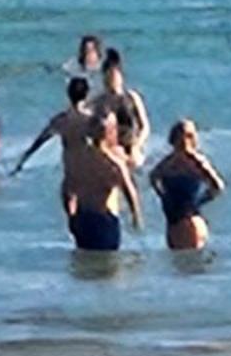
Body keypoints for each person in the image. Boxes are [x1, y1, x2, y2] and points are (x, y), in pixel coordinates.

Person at [65, 112, 143, 252]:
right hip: (103, 219)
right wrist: (136, 216)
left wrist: (71, 215)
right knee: (108, 267)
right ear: (110, 133)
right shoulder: (113, 164)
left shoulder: (77, 160)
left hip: (82, 218)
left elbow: (66, 189)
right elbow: (129, 191)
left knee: (85, 266)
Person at [150, 120, 225, 251]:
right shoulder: (168, 162)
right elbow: (153, 178)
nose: (183, 141)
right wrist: (164, 197)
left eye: (186, 136)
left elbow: (218, 186)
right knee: (180, 265)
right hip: (174, 221)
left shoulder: (196, 161)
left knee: (186, 263)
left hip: (189, 221)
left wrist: (199, 202)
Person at [12, 77, 93, 195]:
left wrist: (22, 162)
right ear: (87, 94)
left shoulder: (61, 121)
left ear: (68, 94)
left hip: (71, 173)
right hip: (90, 171)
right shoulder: (92, 120)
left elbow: (39, 142)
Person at [93, 47, 150, 163]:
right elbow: (93, 130)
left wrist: (137, 145)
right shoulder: (99, 102)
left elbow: (145, 127)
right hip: (109, 149)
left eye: (113, 76)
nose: (110, 80)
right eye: (107, 77)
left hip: (131, 146)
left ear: (121, 77)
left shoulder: (132, 97)